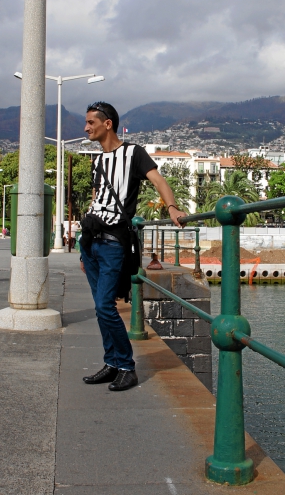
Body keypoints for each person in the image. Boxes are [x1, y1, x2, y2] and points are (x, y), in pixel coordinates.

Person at [79, 102, 186, 392]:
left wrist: (173, 208)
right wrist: (83, 246)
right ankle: (112, 362)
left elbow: (158, 181)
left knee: (105, 305)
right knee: (101, 307)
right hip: (91, 241)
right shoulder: (98, 160)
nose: (86, 127)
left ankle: (126, 366)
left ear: (107, 124)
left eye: (91, 122)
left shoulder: (133, 153)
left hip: (114, 240)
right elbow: (97, 198)